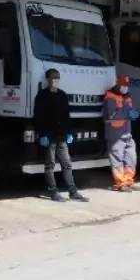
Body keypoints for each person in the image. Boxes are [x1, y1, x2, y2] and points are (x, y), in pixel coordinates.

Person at [33, 68, 86, 202]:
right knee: (50, 165)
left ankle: (73, 192)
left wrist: (69, 133)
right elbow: (38, 117)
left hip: (62, 136)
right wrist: (42, 134)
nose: (54, 80)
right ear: (47, 79)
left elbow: (66, 116)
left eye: (56, 78)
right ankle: (53, 192)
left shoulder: (62, 95)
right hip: (49, 137)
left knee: (67, 164)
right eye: (52, 78)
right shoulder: (42, 96)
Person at [103, 75, 139, 191]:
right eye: (123, 85)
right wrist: (125, 112)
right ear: (118, 84)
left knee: (131, 157)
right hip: (115, 133)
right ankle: (121, 183)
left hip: (127, 132)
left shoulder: (127, 97)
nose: (125, 88)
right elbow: (110, 115)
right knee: (117, 158)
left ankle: (128, 180)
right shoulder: (110, 96)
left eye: (127, 86)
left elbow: (130, 111)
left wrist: (133, 113)